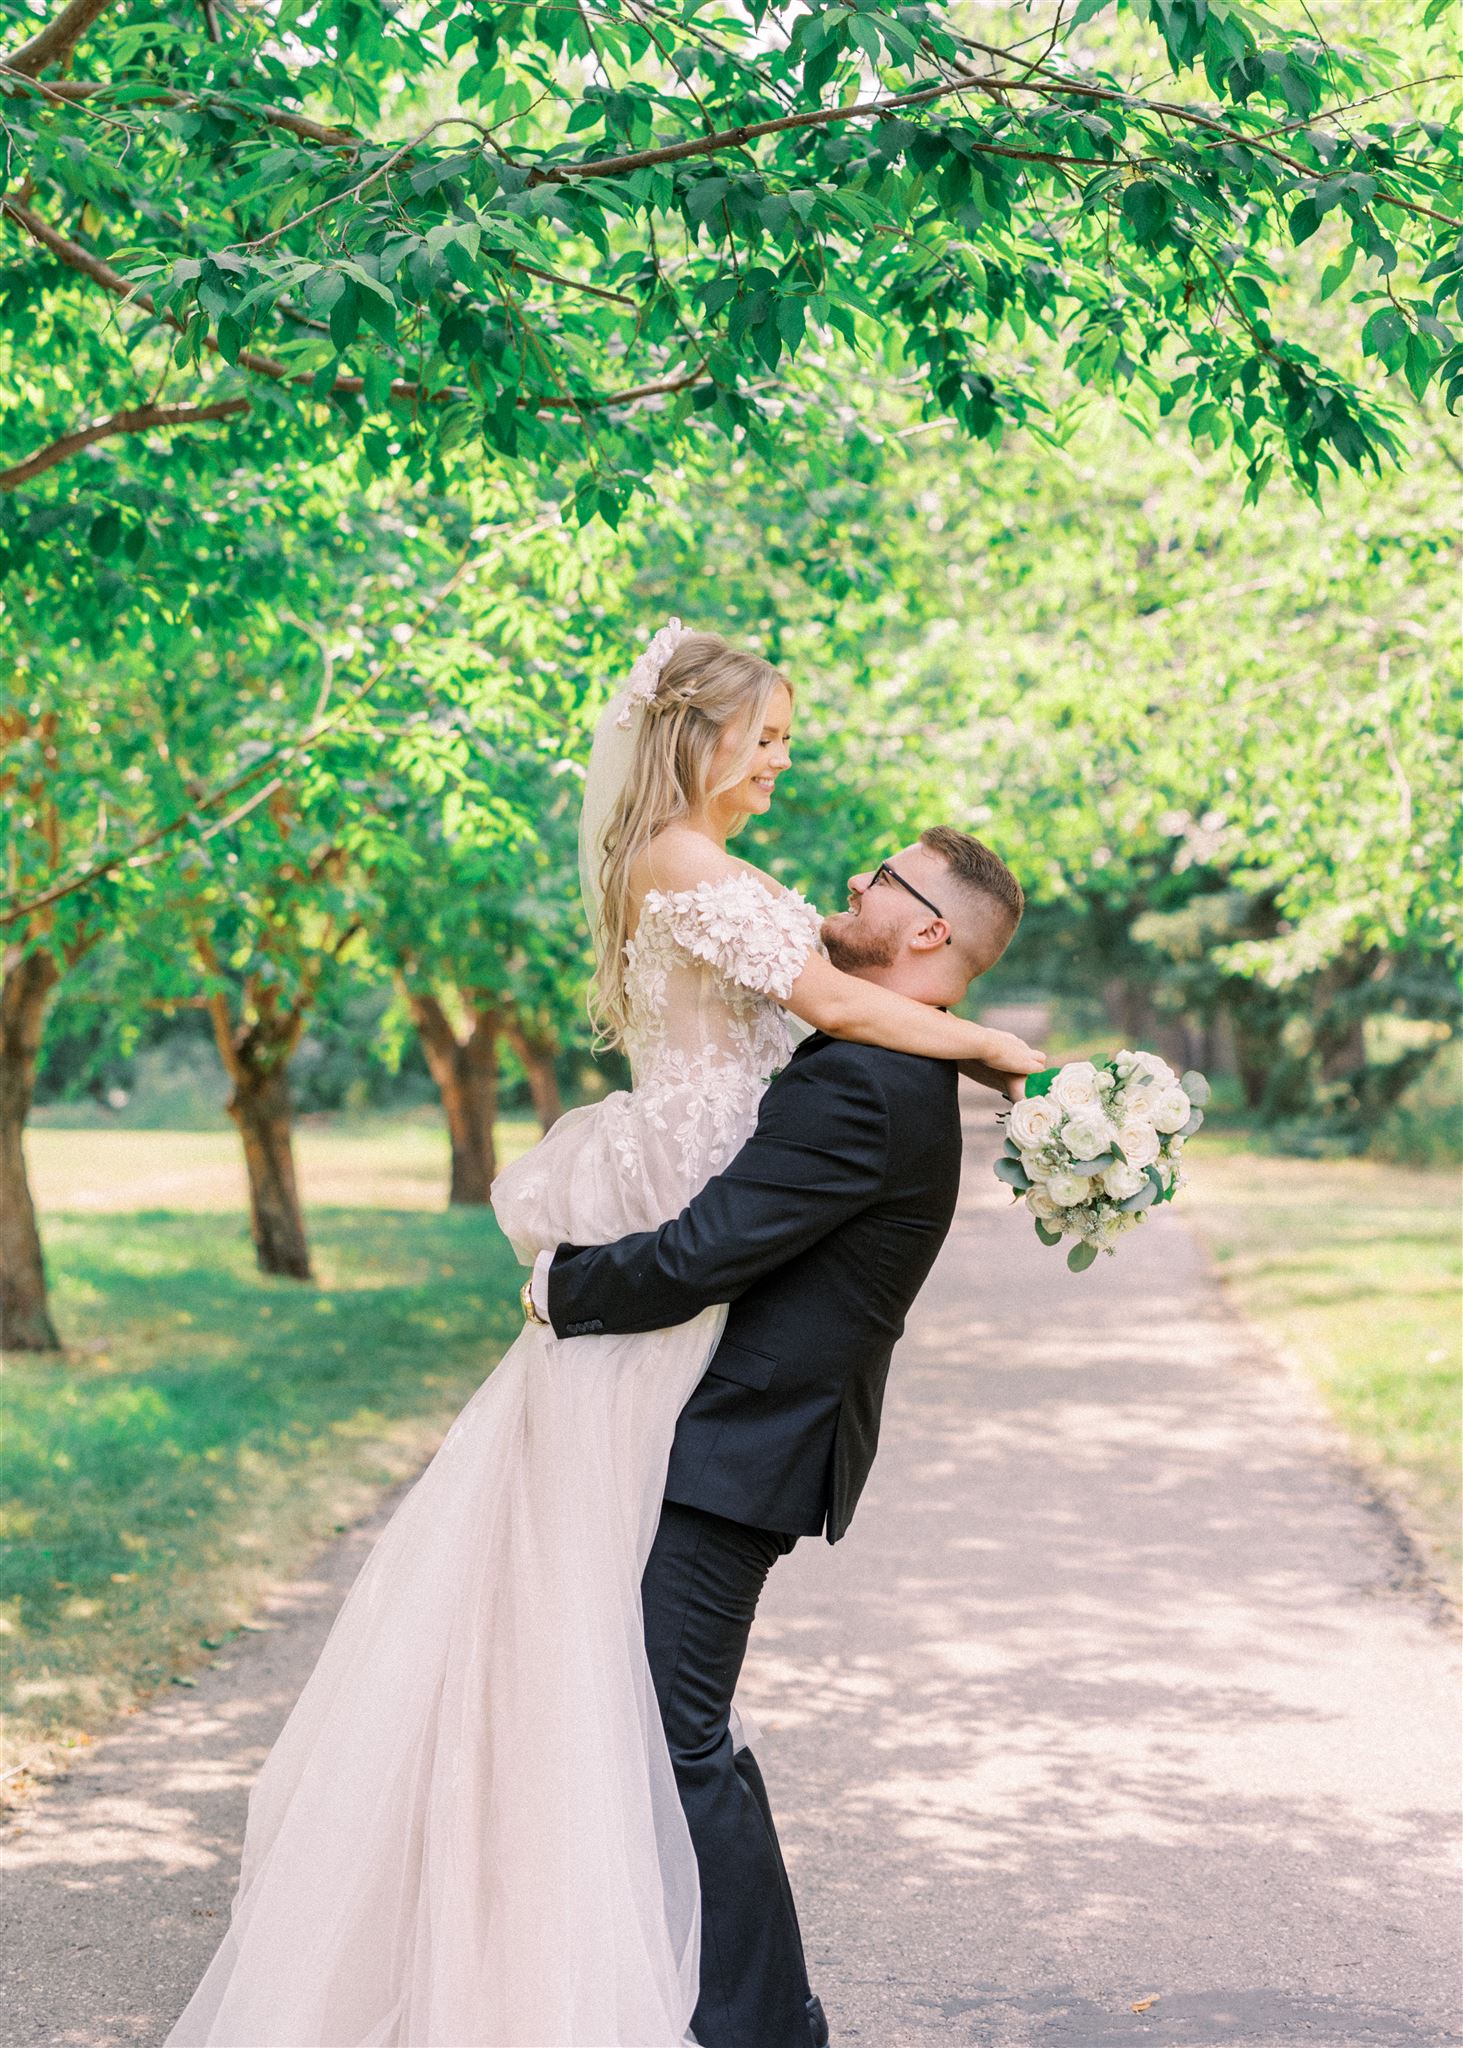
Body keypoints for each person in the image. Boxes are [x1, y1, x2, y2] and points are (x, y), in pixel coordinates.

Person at [164, 621, 1041, 2048]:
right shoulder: (690, 875)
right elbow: (827, 996)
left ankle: (638, 1978)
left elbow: (831, 990)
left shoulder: (728, 894)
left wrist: (975, 1043)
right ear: (696, 737)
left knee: (608, 1669)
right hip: (667, 1279)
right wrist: (999, 1050)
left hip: (687, 1302)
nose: (778, 767)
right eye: (764, 739)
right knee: (607, 1665)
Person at [527, 819, 1027, 2048]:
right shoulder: (884, 1063)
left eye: (880, 874)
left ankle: (766, 2024)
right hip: (735, 1442)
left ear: (924, 928)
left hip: (735, 1453)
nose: (849, 880)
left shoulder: (866, 1083)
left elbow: (705, 1253)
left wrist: (561, 1285)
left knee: (677, 1729)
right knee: (671, 1719)